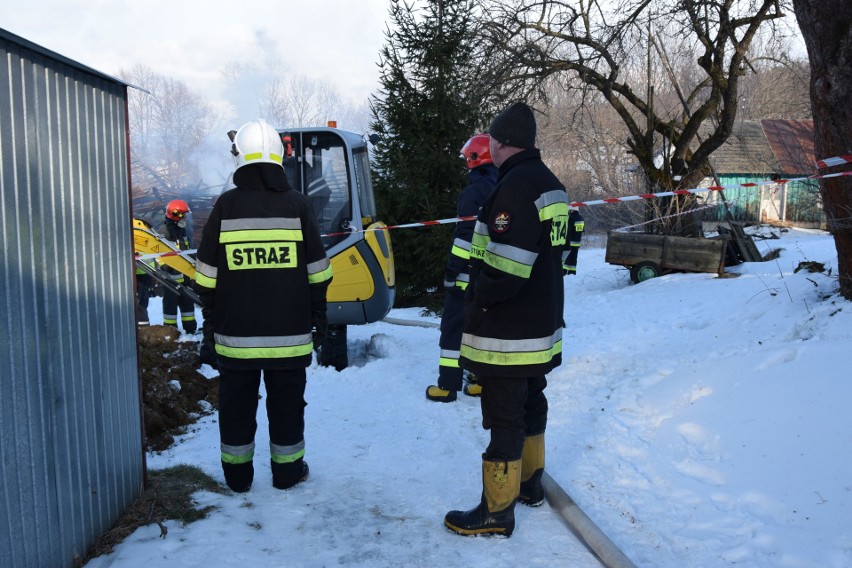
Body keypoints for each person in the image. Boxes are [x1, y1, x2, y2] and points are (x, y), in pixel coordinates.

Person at [444, 102, 569, 537]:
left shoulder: (514, 189)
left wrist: (476, 300)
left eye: (492, 141)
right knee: (533, 403)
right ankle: (531, 485)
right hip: (541, 326)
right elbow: (560, 256)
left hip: (509, 332)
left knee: (504, 415)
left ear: (500, 143)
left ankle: (497, 510)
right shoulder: (550, 183)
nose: (489, 147)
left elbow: (506, 268)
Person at [194, 118, 333, 493]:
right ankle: (287, 474)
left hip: (235, 340)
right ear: (280, 156)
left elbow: (205, 278)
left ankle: (238, 480)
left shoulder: (225, 207)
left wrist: (212, 322)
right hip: (290, 339)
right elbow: (319, 273)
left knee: (236, 409)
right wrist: (317, 318)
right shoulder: (298, 206)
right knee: (287, 408)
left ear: (240, 157)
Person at [426, 134, 498, 403]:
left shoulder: (473, 193)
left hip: (466, 277)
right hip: (494, 275)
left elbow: (464, 238)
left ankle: (447, 386)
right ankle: (481, 381)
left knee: (453, 329)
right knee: (484, 328)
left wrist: (451, 272)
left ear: (475, 158)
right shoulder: (505, 186)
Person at [161, 199, 198, 334]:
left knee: (188, 305)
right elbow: (162, 258)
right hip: (171, 279)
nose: (186, 218)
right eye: (184, 215)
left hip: (186, 278)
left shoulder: (184, 231)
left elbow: (189, 250)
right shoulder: (164, 232)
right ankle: (170, 332)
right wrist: (171, 272)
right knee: (170, 306)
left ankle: (190, 330)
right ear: (176, 215)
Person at [562, 205, 585, 275]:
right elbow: (582, 230)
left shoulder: (571, 218)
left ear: (571, 210)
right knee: (574, 258)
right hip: (577, 242)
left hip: (570, 242)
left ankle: (564, 272)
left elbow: (568, 230)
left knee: (567, 258)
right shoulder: (581, 218)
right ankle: (572, 272)